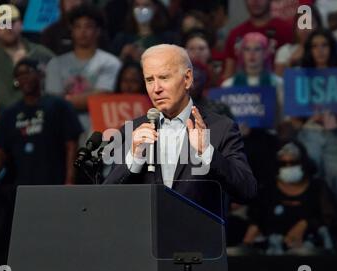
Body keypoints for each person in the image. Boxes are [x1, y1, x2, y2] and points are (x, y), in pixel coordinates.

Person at [103, 44, 257, 211]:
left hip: (199, 234)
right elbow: (108, 198)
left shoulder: (221, 128)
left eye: (164, 78)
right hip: (146, 234)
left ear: (188, 78)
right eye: (149, 80)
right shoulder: (132, 131)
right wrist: (134, 158)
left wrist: (207, 152)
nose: (156, 89)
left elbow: (247, 191)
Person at [0, 58, 83, 196]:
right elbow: (0, 152)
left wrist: (70, 180)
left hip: (55, 183)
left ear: (40, 74)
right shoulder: (10, 113)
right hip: (20, 186)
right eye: (19, 75)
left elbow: (71, 146)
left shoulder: (59, 106)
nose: (24, 77)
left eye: (28, 72)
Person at [293, 29, 337, 213]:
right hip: (309, 133)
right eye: (314, 46)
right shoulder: (300, 76)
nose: (320, 50)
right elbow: (293, 119)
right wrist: (306, 118)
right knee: (309, 173)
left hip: (336, 134)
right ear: (309, 51)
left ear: (332, 48)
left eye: (324, 45)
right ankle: (313, 224)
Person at [244, 140, 337, 255]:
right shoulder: (267, 189)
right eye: (283, 164)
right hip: (273, 250)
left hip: (311, 250)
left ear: (303, 163)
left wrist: (306, 224)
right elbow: (256, 218)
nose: (288, 167)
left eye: (293, 163)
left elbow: (330, 218)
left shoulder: (317, 187)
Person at [45, 4, 121, 141]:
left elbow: (102, 97)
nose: (83, 32)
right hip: (62, 133)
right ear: (71, 30)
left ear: (98, 31)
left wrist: (66, 100)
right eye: (78, 26)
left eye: (88, 26)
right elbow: (53, 102)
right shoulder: (55, 64)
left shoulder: (111, 62)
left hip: (101, 134)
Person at [222, 0, 293, 80]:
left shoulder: (286, 30)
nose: (255, 1)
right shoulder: (235, 34)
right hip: (242, 89)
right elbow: (228, 74)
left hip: (276, 88)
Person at [111, 0, 177, 62]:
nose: (141, 8)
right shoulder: (121, 38)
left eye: (146, 5)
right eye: (137, 5)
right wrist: (123, 55)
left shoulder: (167, 38)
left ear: (155, 8)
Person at [274, 5, 323, 76]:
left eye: (310, 23)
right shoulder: (285, 51)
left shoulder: (327, 49)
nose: (305, 28)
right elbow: (278, 80)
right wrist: (290, 63)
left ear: (318, 26)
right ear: (295, 28)